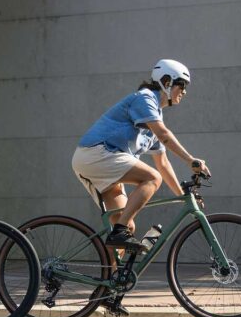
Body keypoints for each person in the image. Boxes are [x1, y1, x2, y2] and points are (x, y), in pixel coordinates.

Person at [72, 59, 211, 255]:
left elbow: (163, 163)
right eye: (182, 85)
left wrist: (181, 196)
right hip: (97, 153)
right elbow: (164, 135)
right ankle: (118, 232)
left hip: (97, 159)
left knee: (125, 224)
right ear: (166, 81)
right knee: (152, 178)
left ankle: (111, 281)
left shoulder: (153, 117)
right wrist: (190, 160)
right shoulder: (145, 98)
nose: (185, 91)